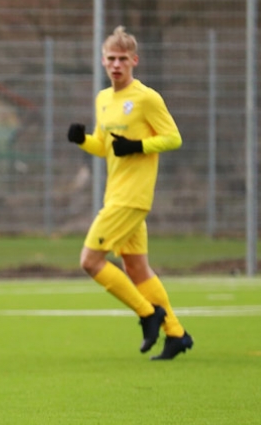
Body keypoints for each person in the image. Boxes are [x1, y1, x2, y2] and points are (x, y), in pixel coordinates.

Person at [67, 26, 192, 361]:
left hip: (132, 197)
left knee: (90, 261)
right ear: (103, 61)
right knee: (137, 269)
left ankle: (148, 313)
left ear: (134, 60)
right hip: (116, 195)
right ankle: (176, 333)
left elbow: (173, 138)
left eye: (123, 58)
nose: (117, 64)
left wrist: (139, 144)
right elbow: (108, 148)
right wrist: (83, 140)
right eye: (111, 58)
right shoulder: (103, 99)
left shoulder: (146, 98)